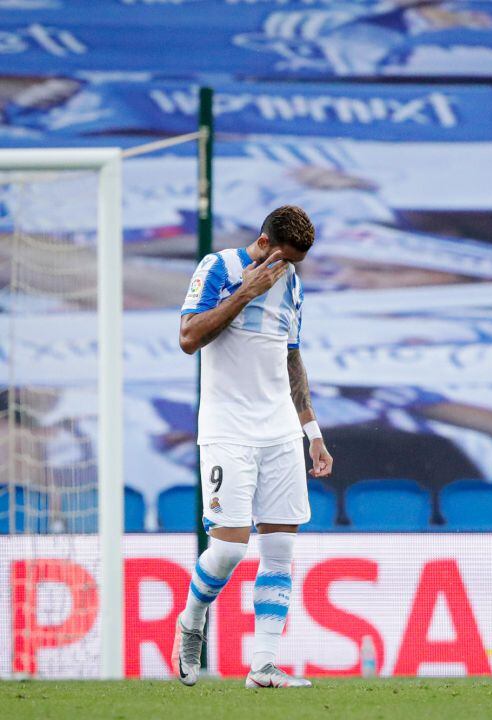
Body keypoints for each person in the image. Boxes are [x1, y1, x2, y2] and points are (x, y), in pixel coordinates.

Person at [171, 205, 333, 689]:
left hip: (280, 428)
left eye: (295, 263)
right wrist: (245, 293)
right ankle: (192, 620)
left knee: (280, 548)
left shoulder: (293, 284)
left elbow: (291, 357)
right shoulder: (217, 268)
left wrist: (313, 432)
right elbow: (187, 338)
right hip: (227, 429)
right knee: (227, 552)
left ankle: (262, 665)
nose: (287, 269)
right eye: (282, 258)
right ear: (263, 244)